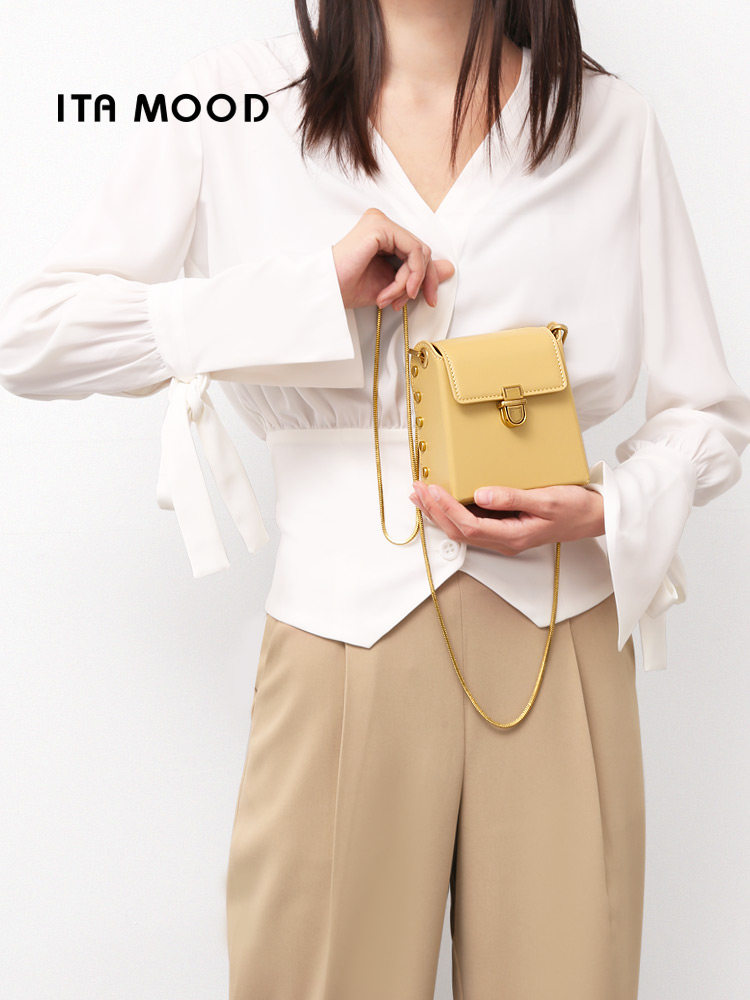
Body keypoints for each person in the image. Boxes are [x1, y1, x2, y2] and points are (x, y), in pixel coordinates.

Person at [1, 2, 749, 999]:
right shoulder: (233, 99)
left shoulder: (610, 121)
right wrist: (311, 292)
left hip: (559, 633)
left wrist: (612, 505)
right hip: (336, 636)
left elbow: (707, 412)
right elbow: (33, 334)